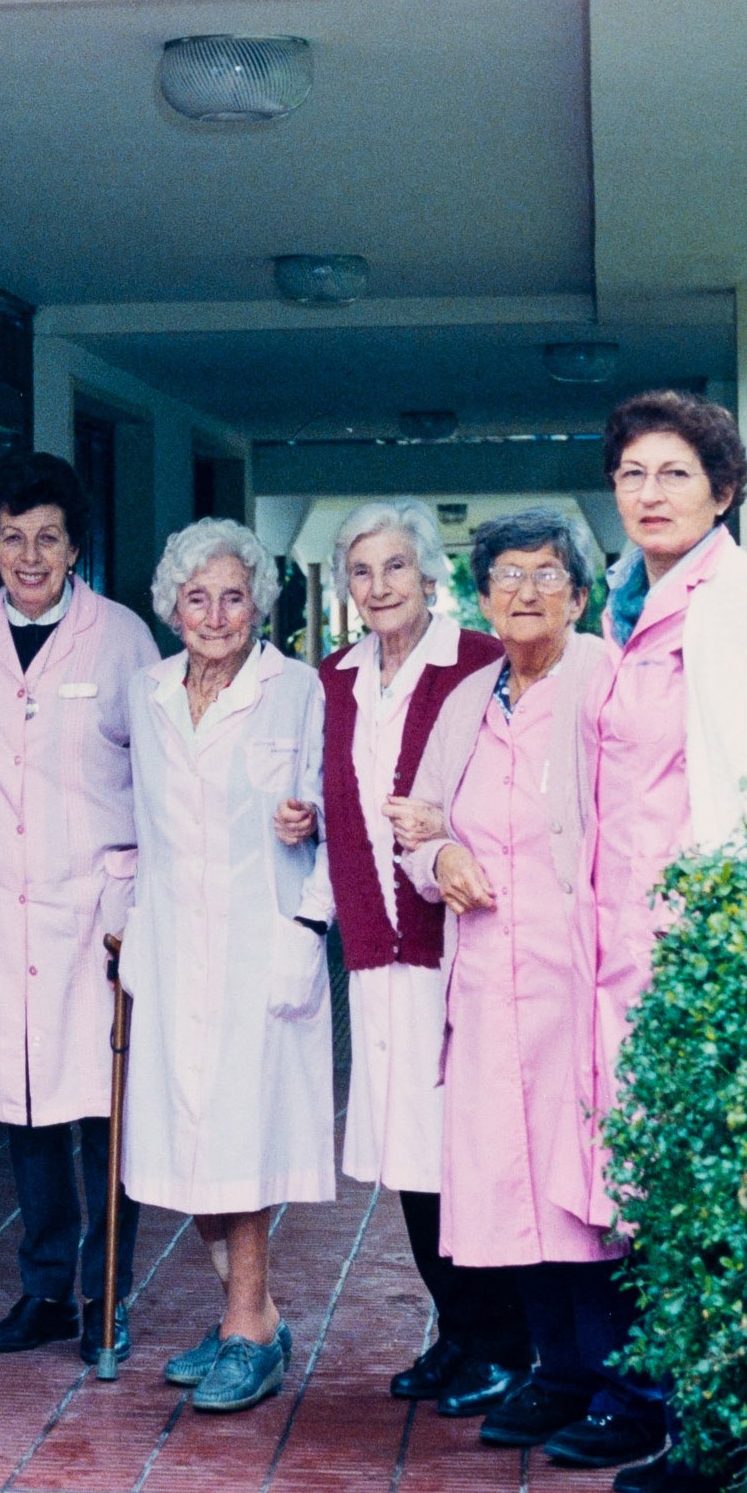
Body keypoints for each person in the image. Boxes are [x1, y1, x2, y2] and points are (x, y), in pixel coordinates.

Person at [573, 389, 747, 1493]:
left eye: (674, 472)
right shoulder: (635, 597)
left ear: (722, 489)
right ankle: (690, 1416)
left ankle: (721, 1439)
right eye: (631, 473)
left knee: (702, 1192)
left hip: (691, 949)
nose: (649, 492)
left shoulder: (735, 602)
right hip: (626, 942)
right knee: (658, 1192)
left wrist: (717, 955)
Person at [390, 510, 628, 1461]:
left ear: (579, 594)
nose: (525, 592)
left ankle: (618, 1384)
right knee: (513, 1180)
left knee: (586, 1184)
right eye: (506, 577)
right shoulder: (466, 701)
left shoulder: (602, 681)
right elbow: (417, 827)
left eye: (546, 574)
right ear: (480, 597)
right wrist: (441, 856)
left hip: (580, 976)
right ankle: (555, 1372)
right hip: (489, 975)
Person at [0, 454, 159, 1366]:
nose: (30, 556)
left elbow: (159, 770)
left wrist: (145, 899)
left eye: (48, 537)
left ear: (75, 549)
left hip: (99, 905)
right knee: (26, 1109)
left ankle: (105, 1296)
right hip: (2, 905)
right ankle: (43, 1293)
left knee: (106, 1110)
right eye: (12, 538)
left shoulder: (121, 637)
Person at [294, 500, 508, 1415]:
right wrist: (304, 815)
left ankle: (503, 1343)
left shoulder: (478, 662)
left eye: (394, 567)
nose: (378, 586)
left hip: (453, 942)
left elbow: (501, 791)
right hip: (375, 946)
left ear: (428, 574)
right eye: (361, 570)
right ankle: (458, 1333)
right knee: (408, 1153)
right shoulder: (334, 677)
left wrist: (446, 828)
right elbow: (330, 786)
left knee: (466, 1150)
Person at [121, 518, 335, 1414]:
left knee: (240, 1137)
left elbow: (336, 809)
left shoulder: (298, 689)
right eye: (196, 597)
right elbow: (138, 816)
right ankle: (255, 1316)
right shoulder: (146, 690)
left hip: (261, 937)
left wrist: (309, 912)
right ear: (171, 606)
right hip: (172, 940)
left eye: (233, 597)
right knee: (187, 1133)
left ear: (259, 606)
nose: (214, 615)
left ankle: (247, 1330)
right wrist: (128, 923)